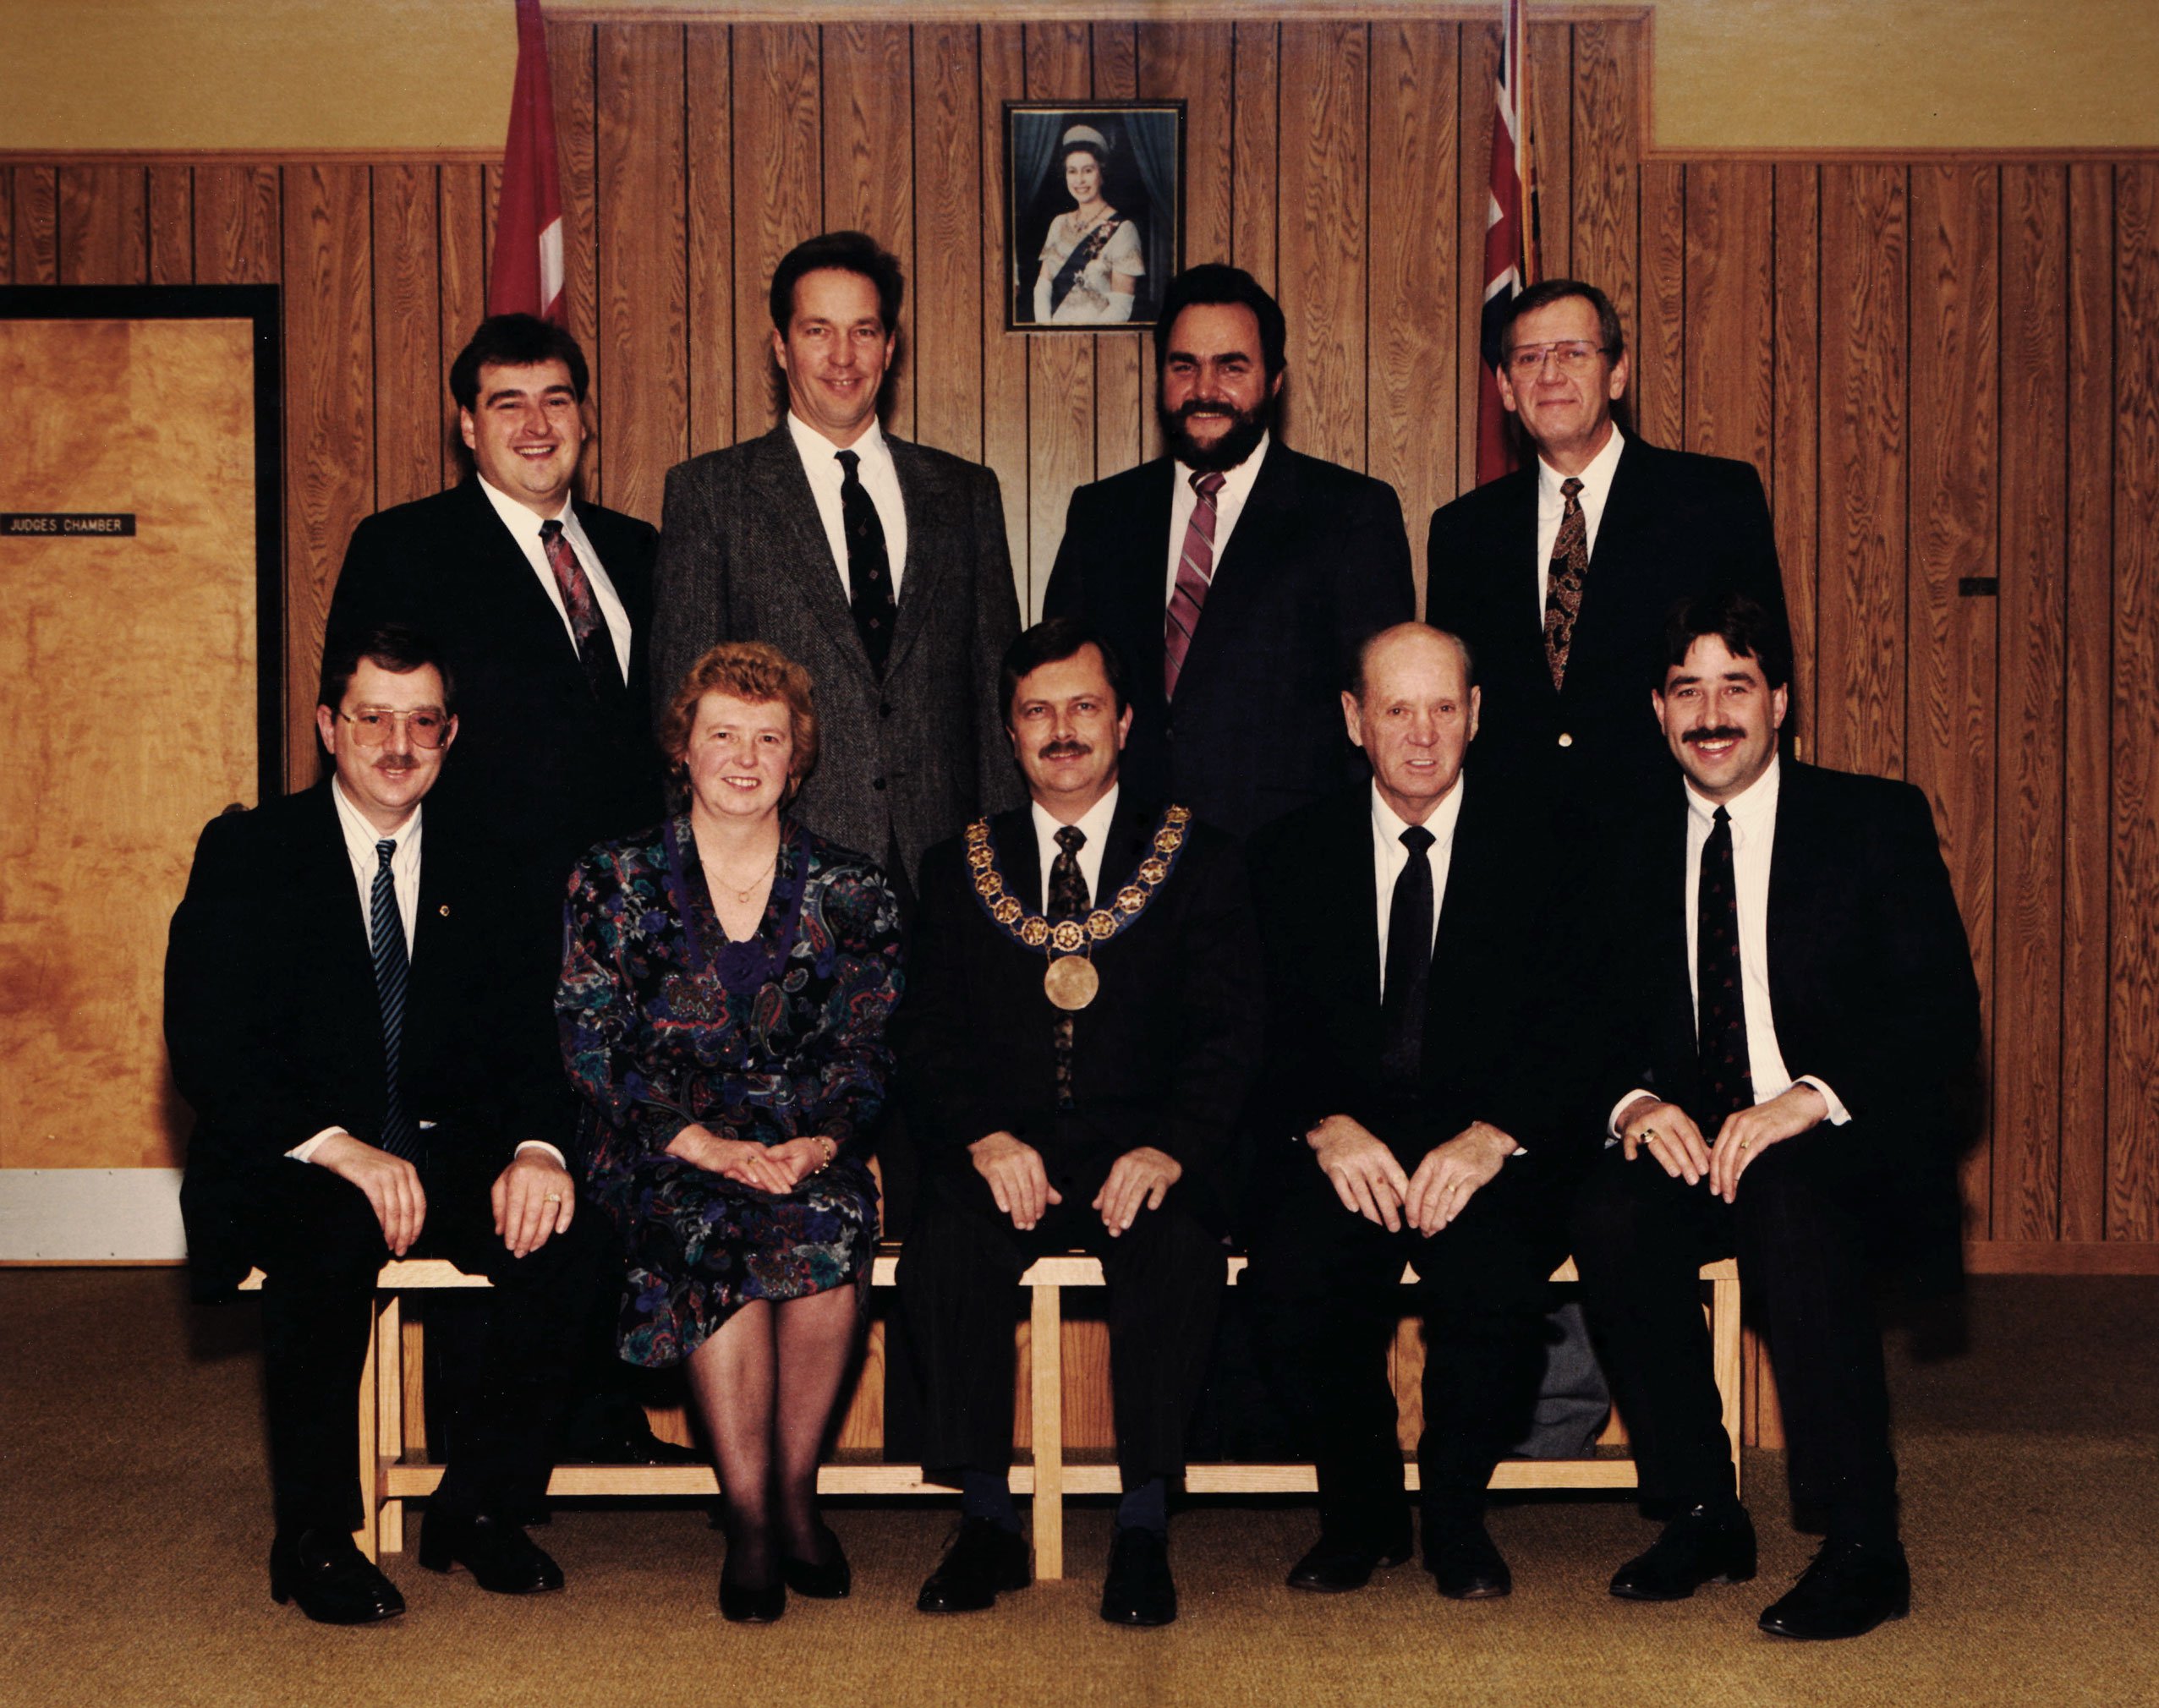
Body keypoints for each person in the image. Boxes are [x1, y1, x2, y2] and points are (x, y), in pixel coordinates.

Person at [167, 622, 600, 1625]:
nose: (397, 745)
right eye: (372, 718)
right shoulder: (251, 851)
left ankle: (476, 1506)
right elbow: (207, 1047)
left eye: (422, 722)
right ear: (329, 725)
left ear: (450, 735)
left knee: (576, 1237)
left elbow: (542, 1030)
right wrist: (341, 1148)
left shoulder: (496, 858)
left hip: (446, 1148)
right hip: (297, 1152)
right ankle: (314, 1535)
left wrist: (537, 1146)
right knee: (329, 1231)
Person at [1572, 592, 1980, 1641]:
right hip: (1694, 1139)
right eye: (1687, 690)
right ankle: (1704, 1510)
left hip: (1841, 1141)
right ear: (1658, 712)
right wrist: (1635, 1101)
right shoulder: (1617, 839)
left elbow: (1938, 1021)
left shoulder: (1871, 819)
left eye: (1737, 687)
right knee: (1614, 1213)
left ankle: (1862, 1544)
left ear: (1782, 702)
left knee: (1792, 1205)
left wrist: (1809, 1098)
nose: (1712, 714)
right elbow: (1570, 1016)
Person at [896, 618, 1263, 1628]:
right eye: (1037, 711)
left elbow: (1232, 1035)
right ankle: (986, 1523)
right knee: (947, 1240)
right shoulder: (954, 865)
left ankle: (1143, 1525)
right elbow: (922, 1035)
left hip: (1146, 1146)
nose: (1063, 730)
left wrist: (1176, 1144)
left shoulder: (1200, 858)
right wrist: (979, 1135)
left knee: (1176, 1244)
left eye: (1084, 706)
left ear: (1125, 720)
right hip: (1003, 1146)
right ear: (1010, 732)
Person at [557, 641, 903, 1624]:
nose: (744, 758)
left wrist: (822, 1141)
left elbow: (872, 1045)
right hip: (659, 1147)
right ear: (683, 750)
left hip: (804, 1145)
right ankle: (748, 1517)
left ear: (798, 759)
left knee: (831, 1221)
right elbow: (591, 1043)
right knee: (708, 1222)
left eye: (768, 738)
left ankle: (794, 1493)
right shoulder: (612, 878)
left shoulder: (853, 888)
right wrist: (700, 1143)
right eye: (722, 735)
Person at [1244, 625, 1588, 1601]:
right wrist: (1324, 1123)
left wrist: (1495, 1136)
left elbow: (1581, 1021)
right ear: (1355, 720)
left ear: (1477, 714)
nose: (1424, 734)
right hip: (1344, 1140)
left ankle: (1455, 1517)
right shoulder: (1287, 855)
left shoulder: (1550, 848)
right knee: (1297, 1269)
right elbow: (1250, 1031)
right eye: (1398, 709)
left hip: (1485, 1143)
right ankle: (1359, 1516)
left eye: (1445, 707)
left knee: (1494, 1281)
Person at [650, 230, 1023, 901]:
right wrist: (696, 885)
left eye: (864, 330)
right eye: (818, 330)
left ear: (890, 345)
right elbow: (682, 713)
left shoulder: (964, 493)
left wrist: (1002, 861)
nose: (843, 356)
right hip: (773, 870)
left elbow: (994, 695)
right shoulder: (712, 494)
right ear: (780, 345)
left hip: (944, 870)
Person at [1042, 264, 1415, 840]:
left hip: (1286, 859)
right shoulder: (1100, 514)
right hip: (1125, 857)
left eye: (1231, 367)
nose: (1204, 390)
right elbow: (1058, 689)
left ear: (1274, 380)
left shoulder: (1349, 513)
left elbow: (1379, 710)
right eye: (1183, 366)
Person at [324, 314, 661, 898]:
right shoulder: (402, 548)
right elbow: (369, 735)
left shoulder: (638, 548)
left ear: (583, 418)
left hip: (638, 903)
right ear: (469, 426)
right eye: (509, 404)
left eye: (556, 401)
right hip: (482, 906)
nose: (537, 425)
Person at [1425, 279, 1792, 807]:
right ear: (1505, 387)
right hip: (1515, 848)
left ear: (1617, 373)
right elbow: (1452, 705)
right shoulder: (1464, 530)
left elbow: (1766, 678)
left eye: (1573, 353)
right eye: (1529, 359)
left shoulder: (1713, 500)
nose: (1550, 375)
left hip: (1666, 839)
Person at [1030, 125, 1144, 326]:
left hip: (1098, 342)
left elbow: (1121, 307)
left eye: (1088, 170)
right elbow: (1043, 287)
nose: (1079, 180)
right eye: (1072, 171)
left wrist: (1085, 340)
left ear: (1102, 174)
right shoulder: (1058, 224)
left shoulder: (1123, 230)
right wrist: (1046, 332)